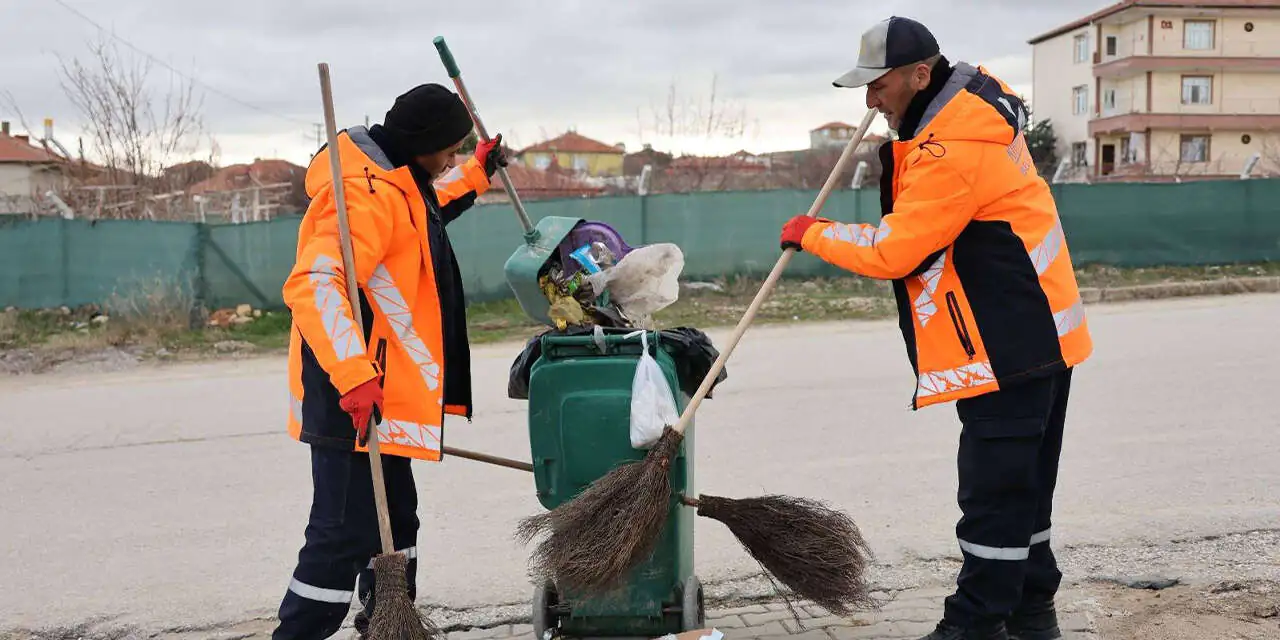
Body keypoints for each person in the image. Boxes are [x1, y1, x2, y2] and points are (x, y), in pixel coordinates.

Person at [778, 16, 1092, 640]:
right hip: (1036, 337)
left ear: (922, 75)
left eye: (878, 85)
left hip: (1007, 347)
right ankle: (1033, 616)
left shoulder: (953, 151)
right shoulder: (965, 115)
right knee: (1025, 496)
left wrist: (813, 233)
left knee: (994, 500)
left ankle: (974, 625)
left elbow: (896, 251)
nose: (869, 99)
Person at [273, 82, 507, 640]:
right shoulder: (361, 194)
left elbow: (428, 213)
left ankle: (388, 626)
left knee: (397, 521)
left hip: (386, 397)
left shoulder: (402, 184)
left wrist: (474, 172)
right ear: (421, 141)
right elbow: (315, 283)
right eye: (449, 149)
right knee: (342, 534)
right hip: (350, 397)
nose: (451, 158)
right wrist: (354, 375)